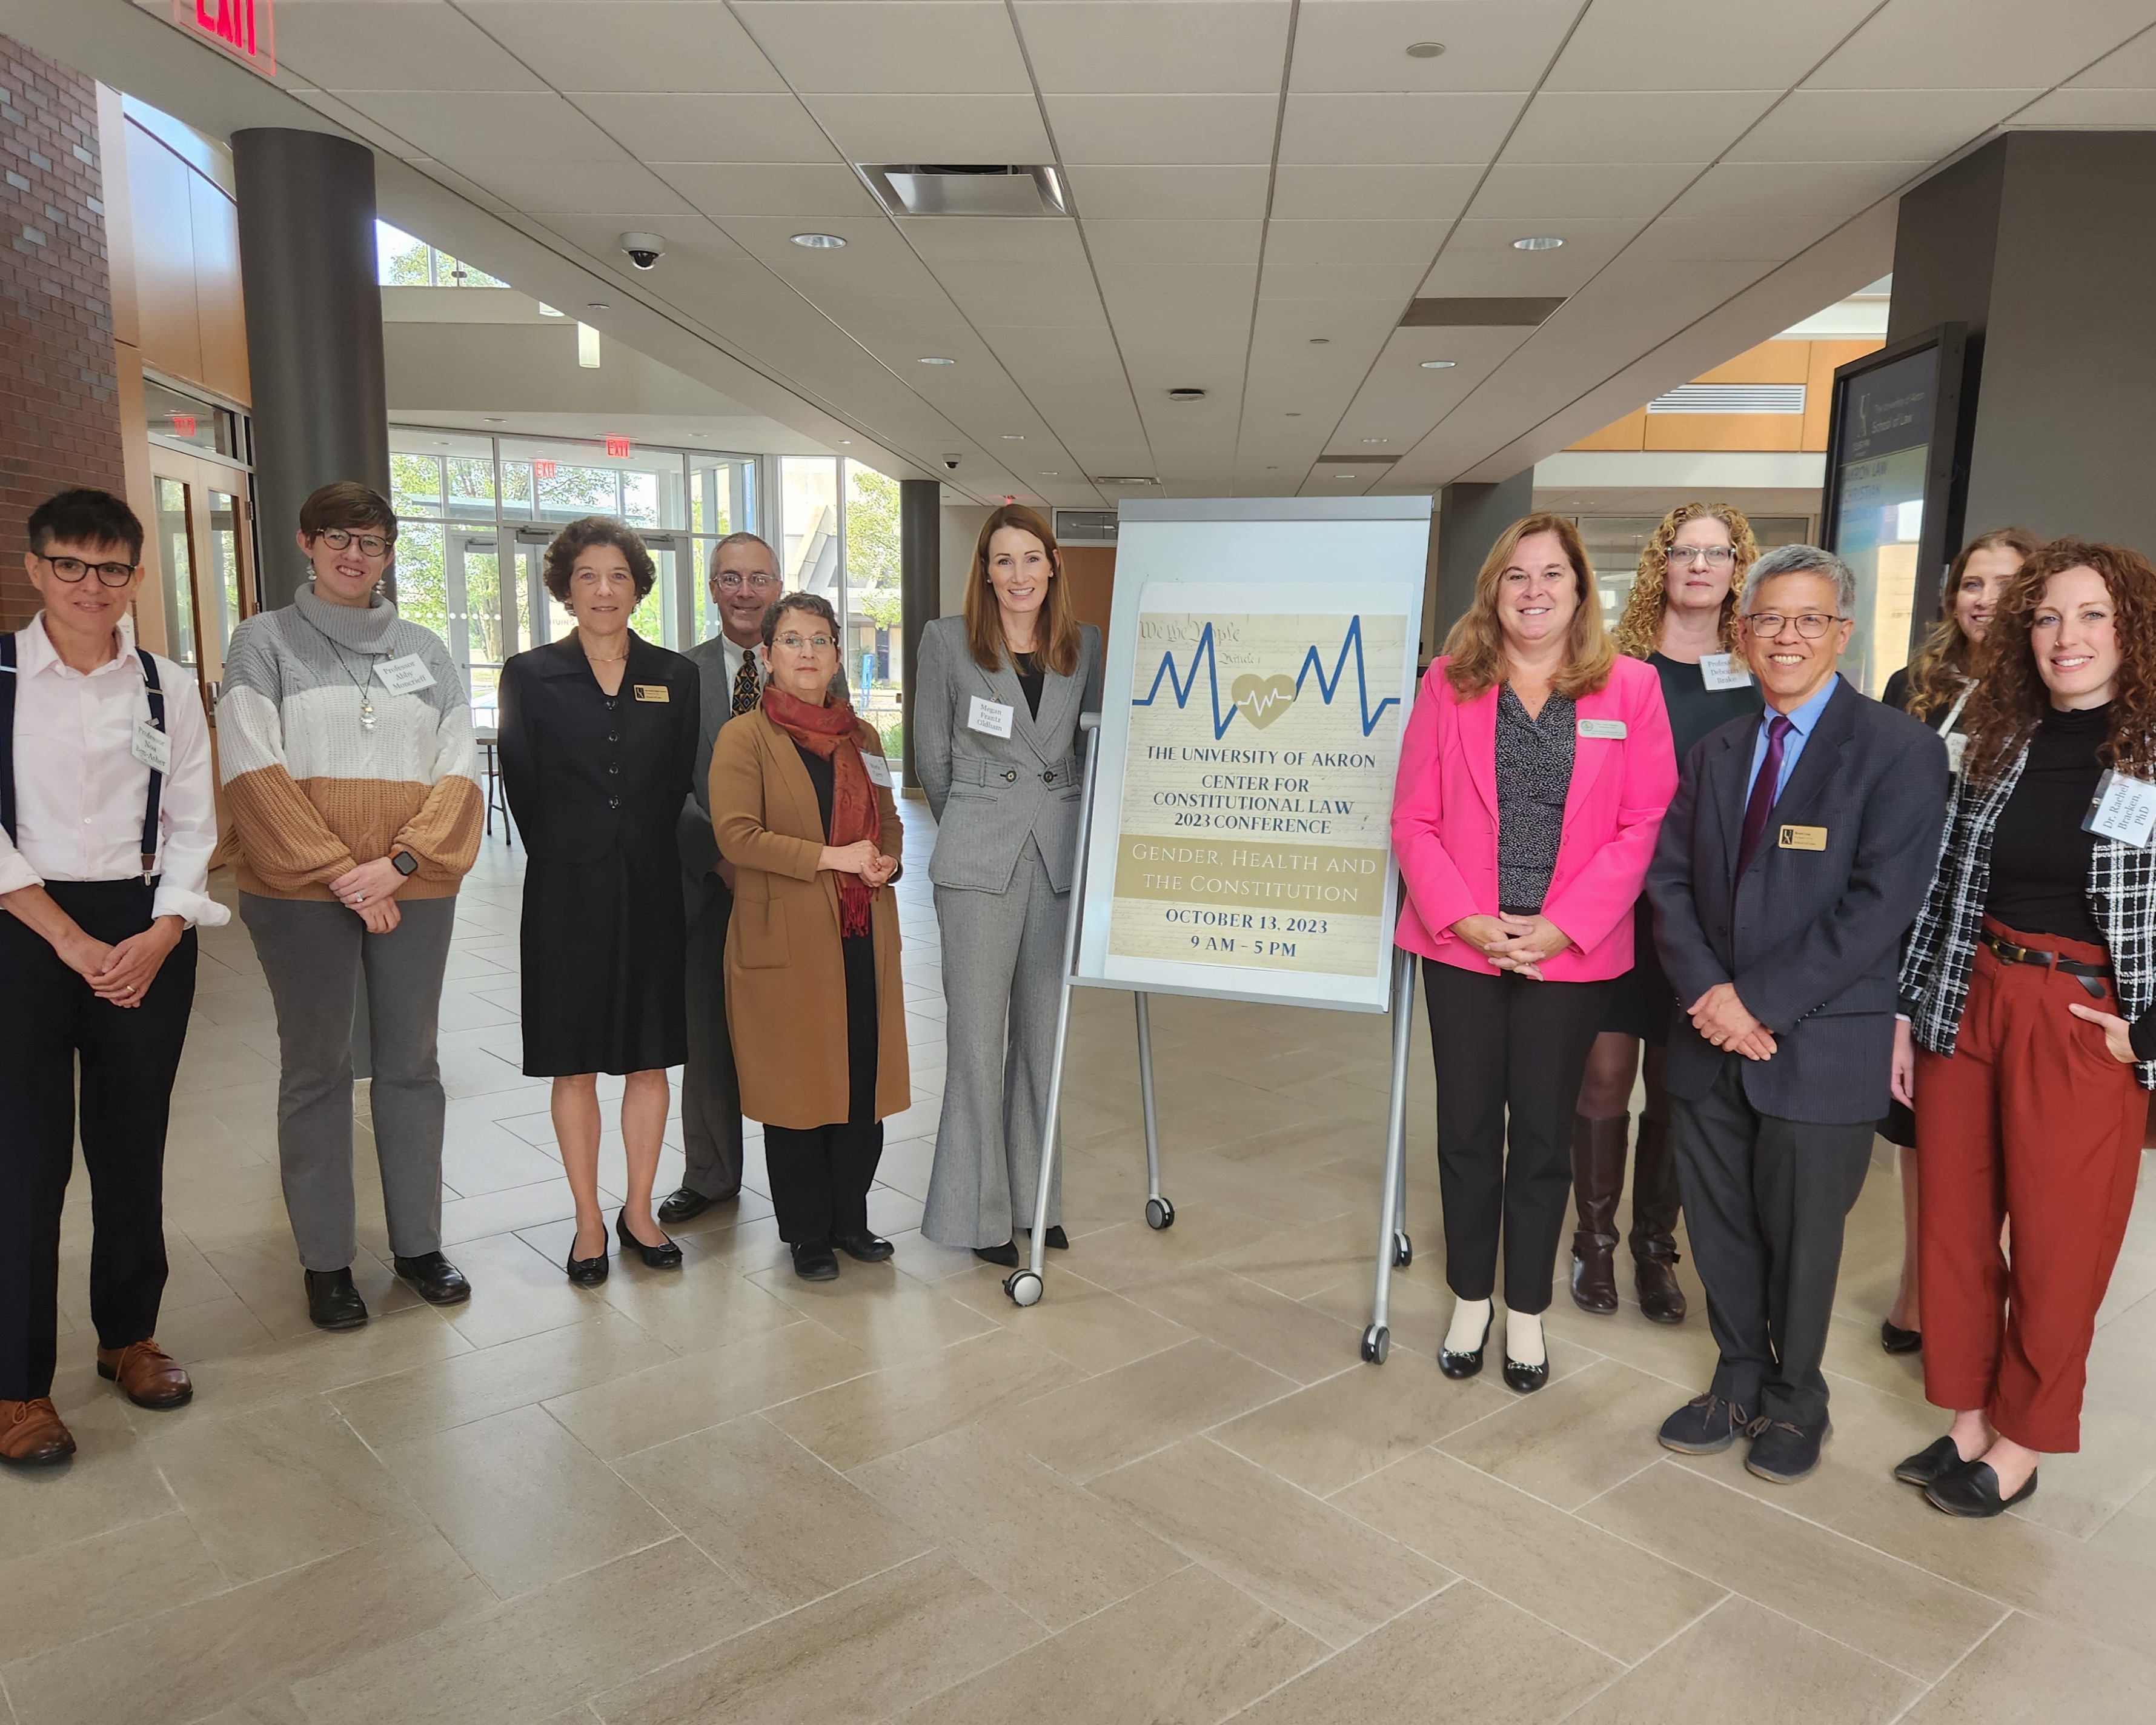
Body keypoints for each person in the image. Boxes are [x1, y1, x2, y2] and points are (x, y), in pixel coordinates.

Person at [1646, 544, 1947, 1484]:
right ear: (1742, 633)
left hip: (1818, 1041)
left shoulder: (1898, 750)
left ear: (1841, 632)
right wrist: (1708, 995)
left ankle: (1794, 1396)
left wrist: (1755, 1000)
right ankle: (1734, 1374)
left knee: (1805, 1231)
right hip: (1706, 1036)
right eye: (1767, 619)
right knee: (1720, 1219)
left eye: (1807, 618)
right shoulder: (1716, 748)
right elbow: (1666, 880)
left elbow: (1878, 903)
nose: (1785, 636)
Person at [1892, 539, 2156, 1518]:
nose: (2065, 636)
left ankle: (2021, 1438)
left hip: (2081, 1018)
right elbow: (1936, 886)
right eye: (2045, 617)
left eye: (2090, 614)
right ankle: (1964, 1416)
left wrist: (2148, 1035)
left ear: (2128, 627)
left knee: (2055, 1244)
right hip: (1968, 995)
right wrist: (1905, 1010)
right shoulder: (1998, 733)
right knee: (1954, 1230)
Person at [1392, 513, 1676, 1394]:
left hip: (1567, 950)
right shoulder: (1447, 682)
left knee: (1545, 1134)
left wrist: (1561, 924)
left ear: (1580, 589)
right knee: (1468, 1129)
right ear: (1493, 589)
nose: (1534, 591)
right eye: (1516, 575)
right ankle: (1469, 1296)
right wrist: (1467, 919)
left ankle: (1524, 1309)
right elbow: (1412, 817)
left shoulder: (1628, 688)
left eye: (1552, 574)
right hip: (1464, 942)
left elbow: (1642, 824)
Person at [221, 483, 482, 1332]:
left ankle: (417, 1245)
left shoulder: (427, 649)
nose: (354, 554)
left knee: (411, 1064)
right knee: (318, 1069)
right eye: (337, 537)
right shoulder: (261, 642)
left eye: (371, 541)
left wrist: (400, 862)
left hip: (413, 885)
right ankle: (326, 1260)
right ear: (306, 541)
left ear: (389, 552)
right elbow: (251, 769)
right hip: (299, 893)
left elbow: (459, 768)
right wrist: (342, 872)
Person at [0, 489, 221, 1466]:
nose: (93, 586)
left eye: (113, 568)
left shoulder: (169, 685)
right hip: (22, 929)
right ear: (35, 566)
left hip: (144, 929)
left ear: (136, 576)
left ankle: (128, 1336)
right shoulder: (2, 675)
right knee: (25, 1164)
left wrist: (165, 926)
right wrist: (68, 939)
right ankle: (16, 1386)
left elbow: (192, 823)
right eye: (72, 565)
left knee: (132, 1147)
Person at [1571, 504, 1763, 1323]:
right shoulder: (1616, 667)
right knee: (1605, 1073)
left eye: (1715, 552)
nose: (1698, 565)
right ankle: (1593, 1244)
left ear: (1734, 566)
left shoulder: (1759, 669)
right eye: (1683, 551)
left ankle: (1655, 1247)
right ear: (1661, 563)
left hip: (1708, 916)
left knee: (1677, 1084)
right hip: (1620, 901)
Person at [498, 517, 697, 1285]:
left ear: (638, 585)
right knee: (573, 1061)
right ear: (566, 587)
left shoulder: (676, 676)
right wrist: (571, 848)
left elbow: (676, 779)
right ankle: (587, 1220)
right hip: (565, 888)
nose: (604, 590)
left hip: (650, 886)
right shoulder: (530, 673)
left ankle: (638, 1209)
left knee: (649, 1058)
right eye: (588, 575)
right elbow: (524, 781)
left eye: (618, 575)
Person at [915, 504, 1103, 1266]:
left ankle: (1036, 1199)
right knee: (974, 1042)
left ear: (1052, 564)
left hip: (1056, 856)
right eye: (1002, 560)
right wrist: (981, 811)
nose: (1018, 574)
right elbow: (931, 755)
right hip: (978, 860)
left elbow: (1090, 753)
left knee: (1042, 1042)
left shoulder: (1082, 645)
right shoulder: (946, 640)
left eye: (1031, 558)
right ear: (984, 570)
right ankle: (979, 1213)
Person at [1875, 526, 2040, 1355]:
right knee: (1917, 1121)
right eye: (1971, 583)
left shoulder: (2051, 687)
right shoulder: (1917, 681)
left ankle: (1980, 1286)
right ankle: (1917, 1283)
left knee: (1999, 1127)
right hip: (1912, 923)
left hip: (2002, 928)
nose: (1984, 599)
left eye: (2006, 584)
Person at [712, 593, 908, 1281]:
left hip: (861, 931)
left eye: (819, 640)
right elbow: (735, 836)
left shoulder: (865, 739)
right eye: (791, 641)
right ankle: (806, 1234)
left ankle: (851, 1221)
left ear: (835, 654)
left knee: (860, 1081)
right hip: (788, 937)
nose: (807, 653)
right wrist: (834, 858)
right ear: (766, 655)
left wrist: (885, 859)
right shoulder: (745, 738)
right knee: (798, 1090)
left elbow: (887, 822)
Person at [661, 531, 783, 1226]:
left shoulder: (811, 663)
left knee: (794, 1031)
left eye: (757, 578)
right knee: (708, 1034)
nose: (744, 591)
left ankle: (803, 1176)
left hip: (795, 884)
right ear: (712, 589)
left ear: (776, 586)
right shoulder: (678, 675)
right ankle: (709, 1175)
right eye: (730, 578)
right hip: (709, 885)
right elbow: (666, 784)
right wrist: (720, 857)